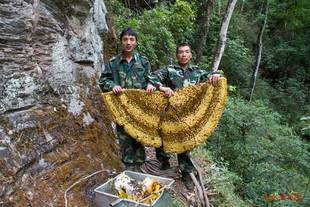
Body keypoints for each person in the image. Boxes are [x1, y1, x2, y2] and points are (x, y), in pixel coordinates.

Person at [148, 42, 222, 190]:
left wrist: (216, 75)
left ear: (191, 55)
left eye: (186, 52)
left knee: (184, 143)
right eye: (181, 52)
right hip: (168, 113)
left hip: (186, 116)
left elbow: (214, 76)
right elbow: (151, 78)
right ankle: (164, 161)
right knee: (163, 138)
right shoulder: (169, 70)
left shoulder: (197, 72)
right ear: (177, 55)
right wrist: (161, 87)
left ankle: (186, 172)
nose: (183, 54)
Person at [99, 28, 156, 171]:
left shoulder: (143, 62)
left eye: (131, 39)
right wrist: (113, 86)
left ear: (136, 42)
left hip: (139, 108)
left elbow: (152, 79)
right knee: (124, 137)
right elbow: (103, 81)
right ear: (121, 41)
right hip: (121, 108)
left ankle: (140, 165)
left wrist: (151, 84)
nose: (128, 43)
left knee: (139, 136)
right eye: (125, 39)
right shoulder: (114, 63)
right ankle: (129, 167)